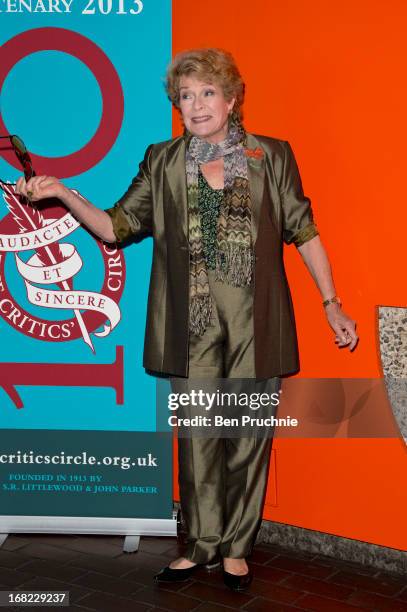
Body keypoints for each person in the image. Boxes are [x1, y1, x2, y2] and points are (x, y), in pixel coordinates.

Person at [16, 48, 358, 591]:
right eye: (184, 96)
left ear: (231, 98)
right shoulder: (164, 160)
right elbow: (115, 227)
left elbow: (304, 230)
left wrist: (331, 302)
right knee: (197, 443)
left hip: (255, 324)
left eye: (205, 93)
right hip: (191, 328)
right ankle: (199, 546)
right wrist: (62, 193)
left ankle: (237, 549)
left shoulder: (273, 156)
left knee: (246, 441)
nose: (194, 105)